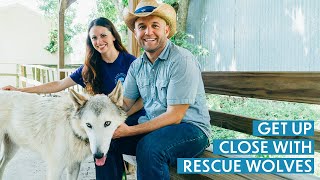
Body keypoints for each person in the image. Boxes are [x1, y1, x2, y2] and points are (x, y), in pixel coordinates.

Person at [94, 0, 212, 179]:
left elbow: (175, 116)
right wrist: (97, 116)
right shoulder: (137, 66)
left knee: (149, 149)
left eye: (154, 25)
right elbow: (124, 103)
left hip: (190, 130)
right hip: (154, 126)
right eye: (142, 26)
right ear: (135, 33)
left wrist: (130, 131)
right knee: (107, 141)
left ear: (166, 30)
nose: (148, 32)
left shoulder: (181, 60)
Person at [1, 17, 143, 116]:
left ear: (113, 36)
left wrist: (120, 116)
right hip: (105, 122)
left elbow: (144, 97)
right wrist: (19, 90)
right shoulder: (90, 68)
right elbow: (59, 84)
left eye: (103, 35)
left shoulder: (132, 63)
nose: (99, 41)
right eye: (94, 38)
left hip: (131, 117)